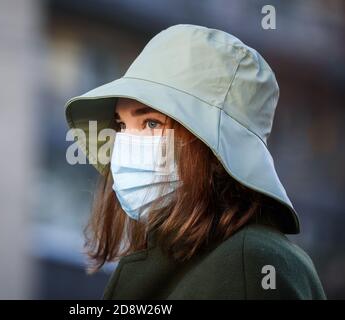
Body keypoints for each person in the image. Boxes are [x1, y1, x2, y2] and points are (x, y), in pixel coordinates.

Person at [64, 24, 326, 299]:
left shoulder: (247, 266)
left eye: (151, 122)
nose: (125, 143)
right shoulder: (185, 258)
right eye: (121, 125)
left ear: (215, 149)